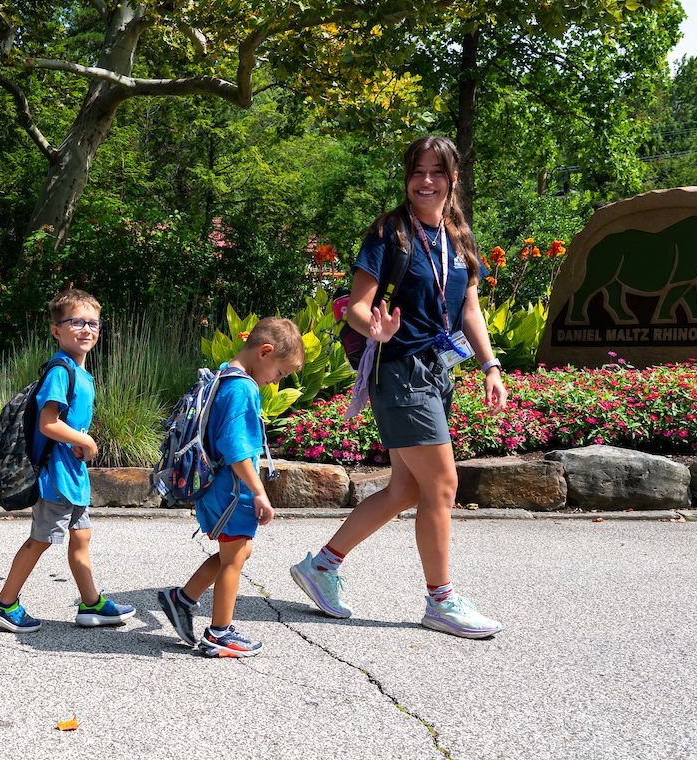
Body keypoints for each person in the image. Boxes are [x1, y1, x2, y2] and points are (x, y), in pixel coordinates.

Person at [290, 135, 508, 639]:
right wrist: (375, 329)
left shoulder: (459, 238)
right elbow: (359, 307)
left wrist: (490, 364)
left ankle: (321, 566)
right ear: (407, 177)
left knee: (406, 488)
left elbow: (469, 310)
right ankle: (441, 600)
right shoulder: (389, 233)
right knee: (443, 485)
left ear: (453, 179)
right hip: (399, 371)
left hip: (438, 371)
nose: (426, 180)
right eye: (417, 171)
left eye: (437, 171)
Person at [0, 289, 135, 633]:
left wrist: (78, 444)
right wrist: (85, 440)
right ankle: (4, 604)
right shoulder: (61, 371)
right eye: (76, 322)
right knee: (41, 539)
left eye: (92, 323)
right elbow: (47, 423)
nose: (86, 329)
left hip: (72, 473)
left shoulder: (81, 374)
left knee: (81, 537)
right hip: (57, 476)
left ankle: (91, 604)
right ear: (57, 330)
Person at [158, 317, 305, 657]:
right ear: (265, 352)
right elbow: (237, 447)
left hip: (216, 485)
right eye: (279, 373)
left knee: (236, 551)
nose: (274, 382)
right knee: (234, 558)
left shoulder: (225, 373)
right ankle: (219, 633)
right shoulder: (243, 388)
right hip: (231, 488)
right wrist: (259, 491)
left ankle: (181, 599)